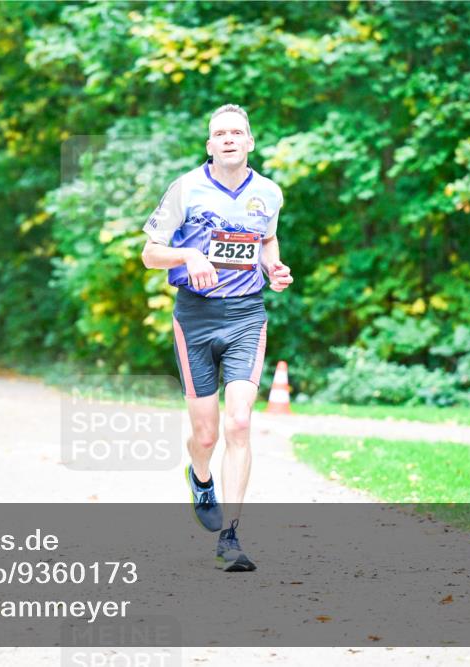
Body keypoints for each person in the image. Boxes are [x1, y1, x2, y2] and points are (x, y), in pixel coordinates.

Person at [141, 104, 294, 572]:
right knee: (205, 435)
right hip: (195, 317)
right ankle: (200, 477)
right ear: (210, 145)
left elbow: (267, 239)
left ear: (249, 142)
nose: (228, 139)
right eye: (219, 133)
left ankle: (230, 535)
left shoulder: (269, 192)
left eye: (236, 132)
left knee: (240, 424)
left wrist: (274, 266)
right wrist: (188, 256)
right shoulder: (185, 189)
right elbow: (150, 254)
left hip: (248, 314)